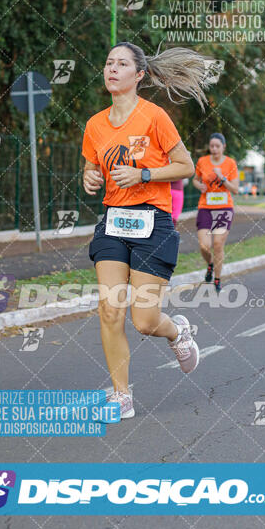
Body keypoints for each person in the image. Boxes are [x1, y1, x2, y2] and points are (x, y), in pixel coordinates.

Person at [82, 42, 221, 419]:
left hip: (152, 221)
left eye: (121, 63)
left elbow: (186, 166)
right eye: (109, 62)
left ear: (139, 75)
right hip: (113, 221)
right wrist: (90, 177)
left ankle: (176, 332)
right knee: (109, 309)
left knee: (143, 321)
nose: (112, 68)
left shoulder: (154, 116)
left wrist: (144, 173)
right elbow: (92, 168)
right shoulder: (95, 124)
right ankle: (121, 395)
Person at [192, 133, 239, 293]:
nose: (214, 149)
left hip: (224, 208)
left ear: (223, 147)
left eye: (217, 146)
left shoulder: (230, 163)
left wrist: (222, 178)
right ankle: (210, 263)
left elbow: (235, 189)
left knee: (218, 244)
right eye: (211, 146)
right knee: (205, 245)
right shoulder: (202, 161)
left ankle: (217, 279)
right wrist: (200, 186)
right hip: (206, 206)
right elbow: (195, 179)